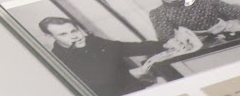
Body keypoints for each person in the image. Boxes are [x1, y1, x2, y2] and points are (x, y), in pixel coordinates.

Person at [36, 17, 171, 95]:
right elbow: (98, 85)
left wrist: (164, 44)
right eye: (63, 34)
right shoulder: (58, 59)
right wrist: (132, 74)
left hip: (139, 89)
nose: (74, 36)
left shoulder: (92, 41)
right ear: (50, 37)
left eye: (74, 31)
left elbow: (125, 47)